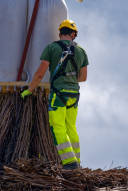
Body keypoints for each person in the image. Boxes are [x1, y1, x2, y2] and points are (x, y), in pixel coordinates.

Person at [21, 20, 88, 169]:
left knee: (58, 127)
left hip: (58, 94)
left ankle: (70, 163)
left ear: (60, 33)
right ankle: (76, 160)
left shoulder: (51, 48)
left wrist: (29, 90)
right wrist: (69, 78)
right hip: (74, 95)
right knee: (71, 127)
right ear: (73, 34)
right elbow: (83, 77)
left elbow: (39, 74)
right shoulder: (81, 51)